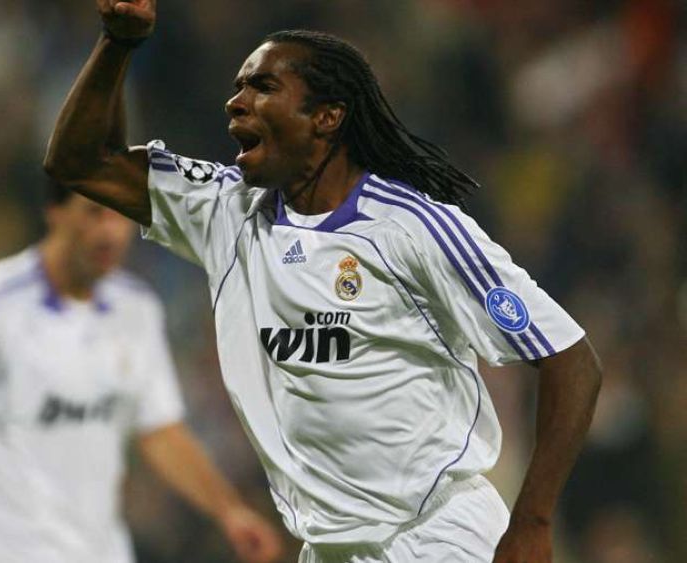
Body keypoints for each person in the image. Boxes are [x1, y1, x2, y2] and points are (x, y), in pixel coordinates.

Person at [43, 2, 603, 562]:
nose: (235, 103)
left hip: (436, 537)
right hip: (327, 549)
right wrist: (118, 42)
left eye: (262, 87)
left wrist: (531, 521)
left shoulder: (412, 229)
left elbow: (571, 359)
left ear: (327, 117)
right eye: (238, 89)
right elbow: (80, 162)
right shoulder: (226, 212)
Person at [0, 184, 282, 563]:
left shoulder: (136, 308)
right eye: (94, 214)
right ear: (55, 212)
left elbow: (161, 431)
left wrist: (229, 510)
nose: (111, 232)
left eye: (121, 214)